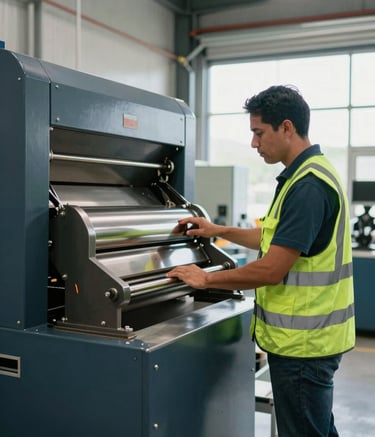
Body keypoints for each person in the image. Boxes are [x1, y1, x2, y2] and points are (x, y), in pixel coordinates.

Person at [167, 85, 355, 437]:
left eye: (258, 133)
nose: (254, 143)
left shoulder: (308, 187)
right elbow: (273, 238)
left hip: (303, 346)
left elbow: (271, 269)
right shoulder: (306, 174)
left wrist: (206, 279)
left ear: (286, 127)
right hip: (312, 342)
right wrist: (215, 229)